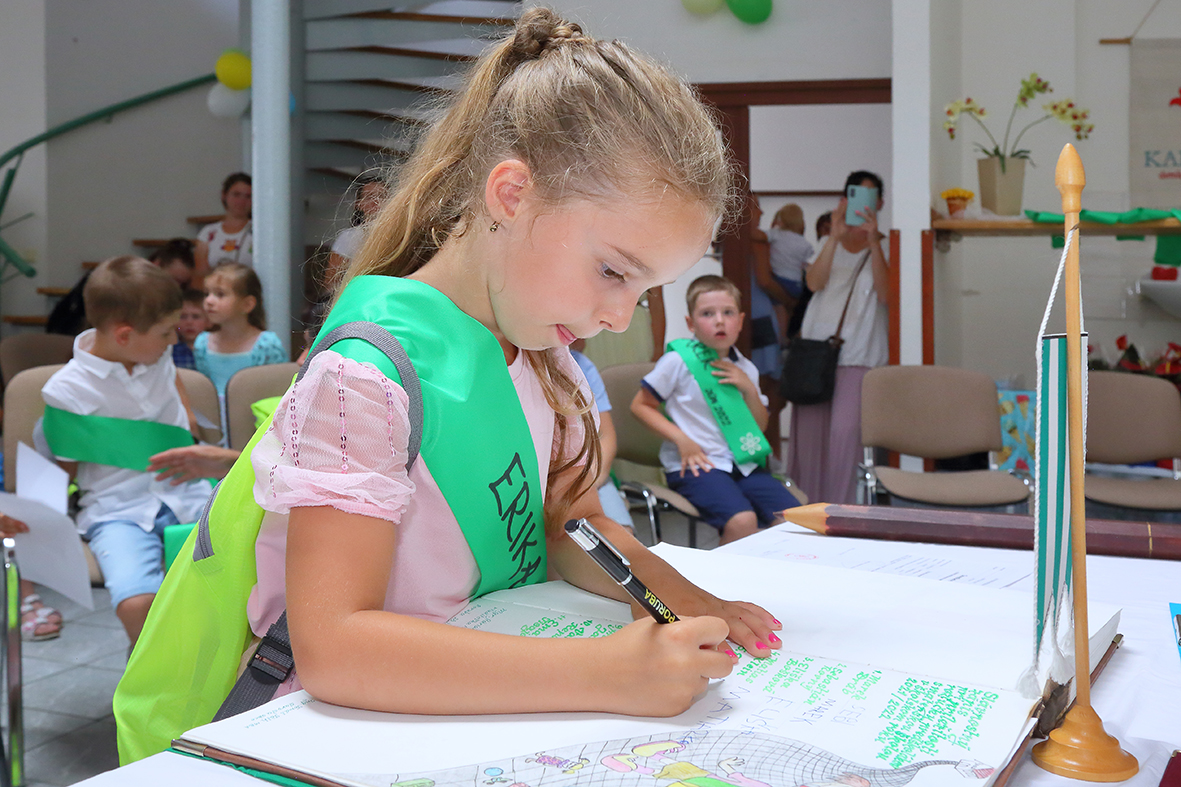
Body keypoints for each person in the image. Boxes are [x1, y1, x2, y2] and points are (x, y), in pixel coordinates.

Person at [120, 9, 785, 750]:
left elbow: (567, 525)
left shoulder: (548, 355)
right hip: (345, 735)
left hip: (479, 707)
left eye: (646, 289)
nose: (618, 314)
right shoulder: (364, 377)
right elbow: (334, 648)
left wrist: (672, 589)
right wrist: (604, 673)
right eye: (611, 271)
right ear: (512, 195)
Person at [38, 256, 213, 646]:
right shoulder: (66, 391)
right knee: (137, 604)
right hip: (118, 510)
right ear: (124, 335)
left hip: (190, 494)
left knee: (249, 572)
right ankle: (160, 673)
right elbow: (61, 474)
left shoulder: (156, 354)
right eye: (166, 332)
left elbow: (175, 389)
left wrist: (187, 418)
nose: (174, 341)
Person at [632, 275, 800, 545]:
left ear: (741, 321)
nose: (719, 321)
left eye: (728, 313)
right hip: (697, 465)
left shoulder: (746, 368)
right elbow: (640, 406)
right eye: (707, 314)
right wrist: (682, 439)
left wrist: (749, 390)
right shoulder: (678, 361)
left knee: (794, 519)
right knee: (742, 521)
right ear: (690, 323)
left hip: (742, 464)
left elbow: (759, 428)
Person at [787, 171, 889, 505]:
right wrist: (834, 236)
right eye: (855, 195)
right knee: (811, 441)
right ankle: (807, 512)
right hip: (815, 354)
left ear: (880, 203)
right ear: (844, 200)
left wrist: (873, 241)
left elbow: (887, 294)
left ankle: (845, 515)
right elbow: (814, 283)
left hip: (859, 355)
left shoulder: (886, 246)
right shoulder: (827, 243)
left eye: (870, 197)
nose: (862, 204)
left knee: (846, 439)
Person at [193, 261, 287, 401]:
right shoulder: (202, 343)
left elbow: (277, 391)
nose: (208, 301)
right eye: (207, 294)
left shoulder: (267, 345)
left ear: (247, 304)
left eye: (220, 294)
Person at [569, 340, 634, 534]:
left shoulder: (581, 365)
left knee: (621, 536)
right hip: (539, 483)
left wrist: (590, 484)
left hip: (588, 475)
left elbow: (605, 437)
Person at [325, 176, 388, 287]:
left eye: (382, 196)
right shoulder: (347, 237)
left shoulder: (402, 234)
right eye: (369, 197)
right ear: (359, 204)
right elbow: (331, 281)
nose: (376, 201)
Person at [194, 173, 252, 285]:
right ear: (224, 195)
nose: (241, 201)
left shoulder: (258, 232)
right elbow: (201, 274)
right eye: (236, 194)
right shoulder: (207, 233)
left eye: (248, 196)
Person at [172, 289, 208, 371]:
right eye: (183, 317)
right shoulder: (170, 349)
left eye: (196, 317)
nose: (189, 322)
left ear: (208, 321)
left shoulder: (212, 348)